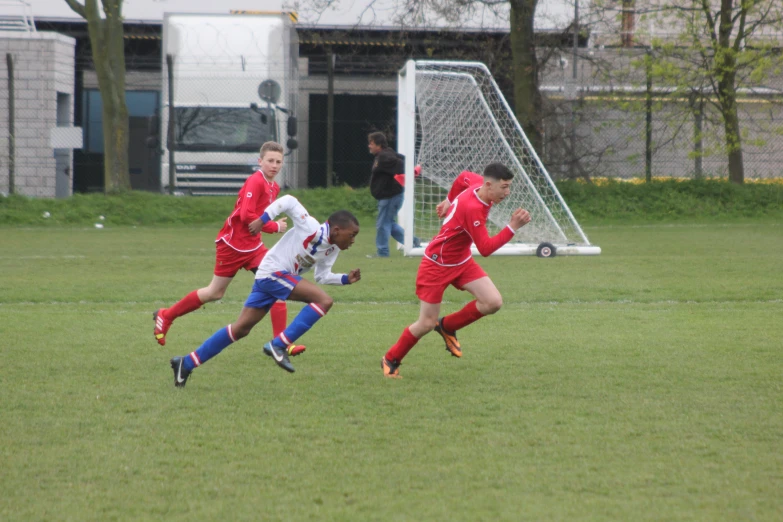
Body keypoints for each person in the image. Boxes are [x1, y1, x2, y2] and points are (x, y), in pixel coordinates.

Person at [170, 195, 361, 387]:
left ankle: (186, 363)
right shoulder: (310, 227)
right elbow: (289, 201)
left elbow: (322, 276)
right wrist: (264, 219)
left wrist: (345, 279)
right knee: (324, 301)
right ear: (336, 230)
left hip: (271, 277)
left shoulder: (332, 248)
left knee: (241, 329)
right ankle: (278, 345)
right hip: (273, 272)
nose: (353, 240)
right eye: (352, 235)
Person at [153, 141, 306, 356]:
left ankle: (281, 343)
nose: (274, 165)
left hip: (253, 247)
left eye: (278, 161)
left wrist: (269, 223)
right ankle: (166, 315)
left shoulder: (274, 187)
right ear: (259, 161)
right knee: (215, 292)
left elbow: (259, 215)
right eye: (270, 161)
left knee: (278, 285)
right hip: (232, 245)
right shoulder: (256, 181)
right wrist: (274, 226)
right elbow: (246, 216)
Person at [380, 163, 531, 378]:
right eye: (504, 187)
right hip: (436, 265)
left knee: (493, 302)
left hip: (461, 261)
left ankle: (447, 326)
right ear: (489, 185)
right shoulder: (473, 209)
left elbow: (462, 178)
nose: (507, 193)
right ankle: (391, 358)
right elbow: (486, 249)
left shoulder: (477, 183)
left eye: (509, 187)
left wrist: (448, 201)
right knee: (425, 323)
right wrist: (512, 227)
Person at [366, 131, 420, 258]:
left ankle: (382, 252)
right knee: (389, 223)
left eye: (371, 143)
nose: (369, 146)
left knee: (382, 224)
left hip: (389, 197)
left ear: (379, 145)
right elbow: (402, 159)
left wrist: (412, 170)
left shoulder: (385, 157)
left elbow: (402, 164)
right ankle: (414, 243)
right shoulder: (386, 154)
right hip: (390, 196)